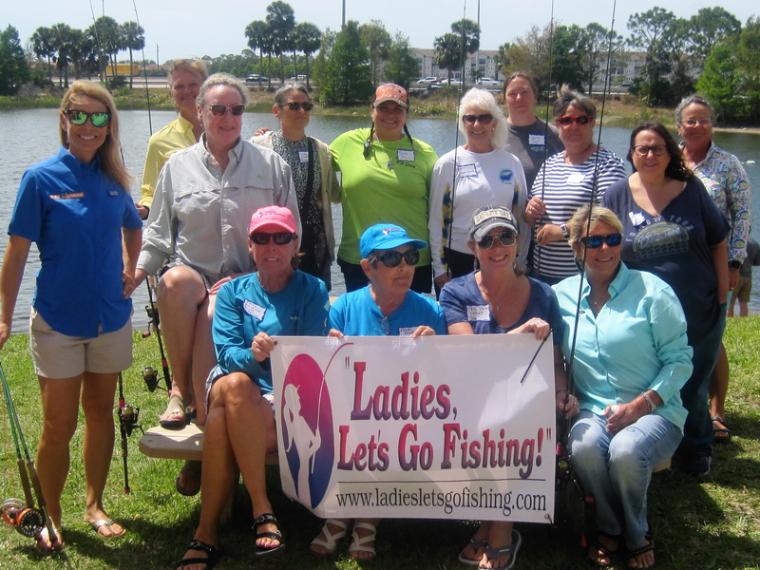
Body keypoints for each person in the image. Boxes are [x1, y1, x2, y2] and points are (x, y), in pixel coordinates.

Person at [135, 73, 299, 494]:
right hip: (195, 274)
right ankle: (181, 392)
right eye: (218, 109)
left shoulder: (271, 164)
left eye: (236, 109)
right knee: (174, 283)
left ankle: (210, 426)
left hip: (252, 277)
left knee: (218, 302)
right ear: (201, 112)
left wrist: (258, 276)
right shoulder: (176, 166)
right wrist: (134, 275)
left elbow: (290, 230)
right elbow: (158, 235)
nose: (228, 117)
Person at [0, 80, 142, 550]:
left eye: (99, 117)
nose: (88, 126)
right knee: (58, 426)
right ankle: (50, 515)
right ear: (63, 120)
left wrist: (130, 269)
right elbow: (16, 254)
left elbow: (134, 227)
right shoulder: (40, 178)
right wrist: (3, 317)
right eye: (78, 115)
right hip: (58, 321)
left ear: (109, 125)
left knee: (100, 413)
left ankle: (95, 505)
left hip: (111, 319)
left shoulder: (114, 179)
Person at [176, 206, 328, 569]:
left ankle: (205, 535)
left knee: (221, 421)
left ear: (295, 245)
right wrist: (255, 355)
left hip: (281, 401)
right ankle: (262, 507)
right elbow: (227, 355)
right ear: (250, 245)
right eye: (262, 238)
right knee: (236, 384)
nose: (271, 246)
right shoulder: (232, 292)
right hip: (236, 384)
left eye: (281, 238)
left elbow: (309, 357)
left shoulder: (312, 289)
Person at [554, 205, 693, 570]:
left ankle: (636, 532)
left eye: (612, 239)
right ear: (575, 247)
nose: (604, 248)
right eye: (593, 241)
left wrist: (639, 406)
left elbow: (680, 360)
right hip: (593, 410)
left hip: (656, 409)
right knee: (583, 446)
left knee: (626, 450)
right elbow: (551, 354)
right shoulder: (559, 296)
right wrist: (563, 390)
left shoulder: (653, 291)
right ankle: (608, 525)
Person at [439, 206, 577, 570]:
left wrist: (561, 393)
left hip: (527, 402)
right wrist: (520, 333)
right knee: (494, 421)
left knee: (514, 420)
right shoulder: (454, 291)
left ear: (518, 243)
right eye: (487, 240)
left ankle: (499, 526)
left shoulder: (544, 294)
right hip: (472, 397)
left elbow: (555, 360)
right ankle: (496, 522)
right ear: (473, 247)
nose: (497, 246)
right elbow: (467, 353)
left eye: (506, 236)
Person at [309, 223, 446, 561]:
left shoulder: (431, 312)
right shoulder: (343, 308)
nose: (405, 266)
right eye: (392, 259)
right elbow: (324, 374)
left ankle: (363, 519)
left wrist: (437, 351)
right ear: (367, 267)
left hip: (407, 414)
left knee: (388, 426)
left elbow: (446, 382)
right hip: (352, 409)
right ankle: (344, 513)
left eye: (410, 257)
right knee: (350, 422)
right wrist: (329, 350)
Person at [603, 122, 729, 476]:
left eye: (657, 148)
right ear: (631, 154)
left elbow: (718, 239)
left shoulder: (691, 190)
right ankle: (654, 443)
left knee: (693, 380)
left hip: (697, 304)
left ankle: (697, 446)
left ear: (670, 153)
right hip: (642, 310)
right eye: (642, 148)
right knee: (653, 377)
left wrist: (722, 291)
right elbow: (602, 243)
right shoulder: (616, 195)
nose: (650, 155)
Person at [675, 95, 752, 443]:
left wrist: (734, 263)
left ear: (712, 124)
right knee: (675, 334)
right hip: (675, 263)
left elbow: (743, 216)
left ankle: (716, 411)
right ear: (679, 125)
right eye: (690, 120)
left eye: (703, 119)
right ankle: (679, 404)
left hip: (714, 262)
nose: (697, 125)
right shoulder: (668, 159)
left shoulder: (728, 164)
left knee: (712, 336)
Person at [330, 83, 438, 293]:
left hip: (411, 260)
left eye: (398, 109)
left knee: (412, 316)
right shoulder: (347, 143)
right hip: (361, 259)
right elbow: (313, 155)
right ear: (372, 110)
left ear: (407, 113)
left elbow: (440, 207)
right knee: (362, 315)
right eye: (383, 108)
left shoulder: (425, 153)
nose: (390, 115)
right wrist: (269, 138)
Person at [429, 87, 530, 293]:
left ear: (495, 122)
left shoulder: (511, 163)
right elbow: (436, 220)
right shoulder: (447, 164)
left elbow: (521, 218)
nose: (477, 125)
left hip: (500, 255)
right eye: (470, 118)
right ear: (462, 122)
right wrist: (439, 268)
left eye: (484, 118)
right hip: (457, 259)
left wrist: (520, 260)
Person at [525, 84, 626, 285]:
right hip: (542, 275)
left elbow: (610, 218)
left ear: (592, 123)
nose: (574, 126)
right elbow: (528, 218)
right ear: (557, 125)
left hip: (585, 276)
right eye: (566, 120)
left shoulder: (608, 163)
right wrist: (530, 210)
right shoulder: (550, 163)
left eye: (581, 120)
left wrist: (562, 231)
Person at [252, 83, 338, 288]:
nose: (301, 111)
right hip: (273, 239)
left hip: (313, 242)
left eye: (306, 106)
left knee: (314, 299)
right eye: (294, 106)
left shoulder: (321, 150)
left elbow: (332, 194)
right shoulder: (258, 146)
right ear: (276, 110)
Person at [137, 59, 207, 219]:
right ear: (171, 92)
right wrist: (145, 208)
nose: (186, 91)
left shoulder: (223, 131)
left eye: (193, 84)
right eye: (179, 86)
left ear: (207, 88)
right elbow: (150, 193)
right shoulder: (158, 141)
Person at [503, 72, 563, 190]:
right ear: (505, 99)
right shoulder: (492, 134)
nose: (519, 98)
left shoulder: (555, 134)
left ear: (535, 96)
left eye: (524, 92)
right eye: (512, 94)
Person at [729, 236, 759, 317]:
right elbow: (757, 262)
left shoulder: (736, 240)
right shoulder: (755, 243)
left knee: (730, 303)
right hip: (748, 277)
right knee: (744, 303)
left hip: (735, 275)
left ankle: (729, 321)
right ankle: (743, 321)